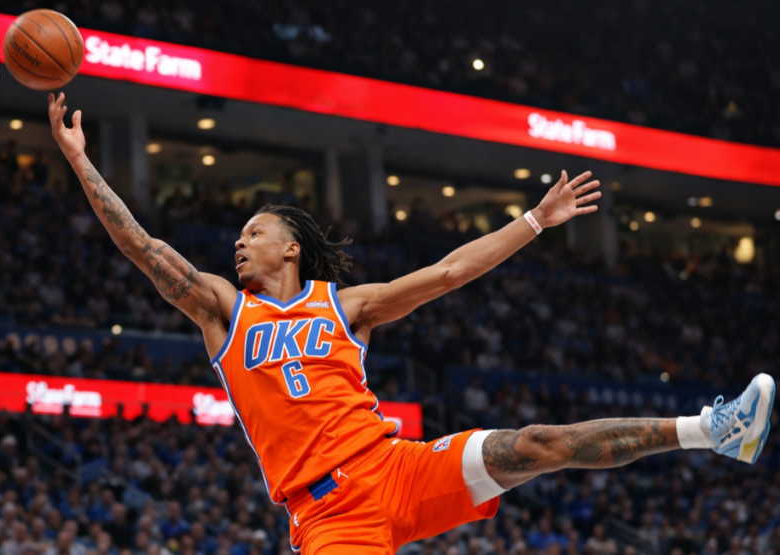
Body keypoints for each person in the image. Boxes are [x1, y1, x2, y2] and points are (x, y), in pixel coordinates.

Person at [48, 92, 776, 555]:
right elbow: (143, 250)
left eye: (254, 230)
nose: (239, 242)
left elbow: (451, 272)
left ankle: (716, 430)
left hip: (398, 468)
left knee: (539, 444)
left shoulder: (347, 304)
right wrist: (82, 163)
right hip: (328, 515)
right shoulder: (223, 310)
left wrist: (534, 220)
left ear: (291, 244)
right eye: (239, 234)